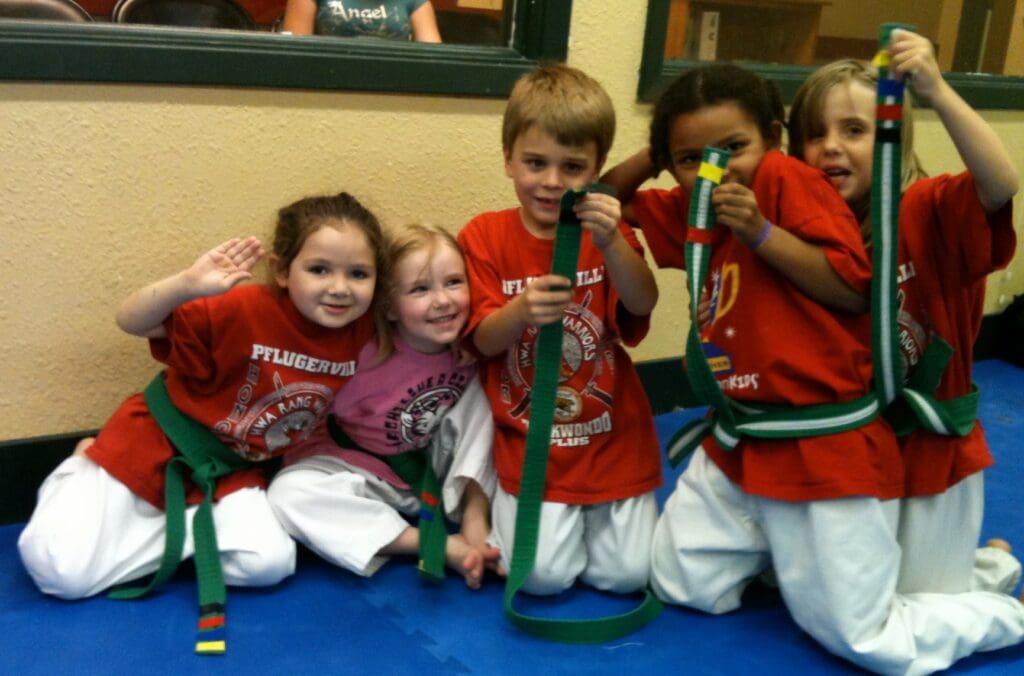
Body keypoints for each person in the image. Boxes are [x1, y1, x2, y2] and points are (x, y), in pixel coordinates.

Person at [602, 61, 979, 674]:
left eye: (734, 147)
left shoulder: (784, 179)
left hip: (820, 445)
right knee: (678, 581)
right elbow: (600, 197)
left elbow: (854, 291)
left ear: (774, 140)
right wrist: (662, 154)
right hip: (740, 442)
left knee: (865, 640)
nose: (717, 166)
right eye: (693, 157)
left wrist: (759, 232)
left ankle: (995, 614)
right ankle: (785, 555)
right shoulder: (698, 201)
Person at [786, 30, 1024, 669]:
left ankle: (1000, 602)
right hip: (853, 459)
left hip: (930, 459)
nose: (831, 146)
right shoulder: (803, 239)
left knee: (907, 606)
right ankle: (990, 564)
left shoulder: (926, 208)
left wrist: (938, 91)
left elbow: (1000, 183)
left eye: (854, 130)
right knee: (852, 600)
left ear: (892, 134)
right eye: (815, 134)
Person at [18, 192, 385, 601]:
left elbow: (420, 329)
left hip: (230, 472)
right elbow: (131, 321)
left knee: (268, 564)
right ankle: (81, 468)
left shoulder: (365, 331)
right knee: (58, 573)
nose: (340, 288)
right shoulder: (242, 308)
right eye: (319, 269)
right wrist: (185, 286)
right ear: (282, 271)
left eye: (358, 274)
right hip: (157, 446)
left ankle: (171, 529)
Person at [457, 64, 662, 596]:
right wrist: (519, 312)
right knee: (539, 579)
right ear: (508, 160)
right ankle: (506, 509)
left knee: (627, 576)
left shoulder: (605, 231)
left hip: (611, 434)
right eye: (535, 163)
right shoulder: (484, 235)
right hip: (533, 443)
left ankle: (590, 518)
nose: (551, 182)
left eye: (572, 167)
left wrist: (615, 242)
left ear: (596, 170)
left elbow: (643, 302)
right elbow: (481, 340)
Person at [268, 223, 499, 589]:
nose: (442, 300)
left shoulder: (473, 345)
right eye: (420, 289)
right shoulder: (364, 350)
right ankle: (428, 544)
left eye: (454, 282)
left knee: (489, 392)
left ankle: (475, 515)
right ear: (389, 307)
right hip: (358, 466)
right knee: (287, 493)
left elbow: (474, 432)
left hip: (432, 468)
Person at [282, 0, 442, 42]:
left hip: (394, 90)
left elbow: (435, 63)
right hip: (326, 86)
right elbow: (292, 58)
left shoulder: (416, 2)